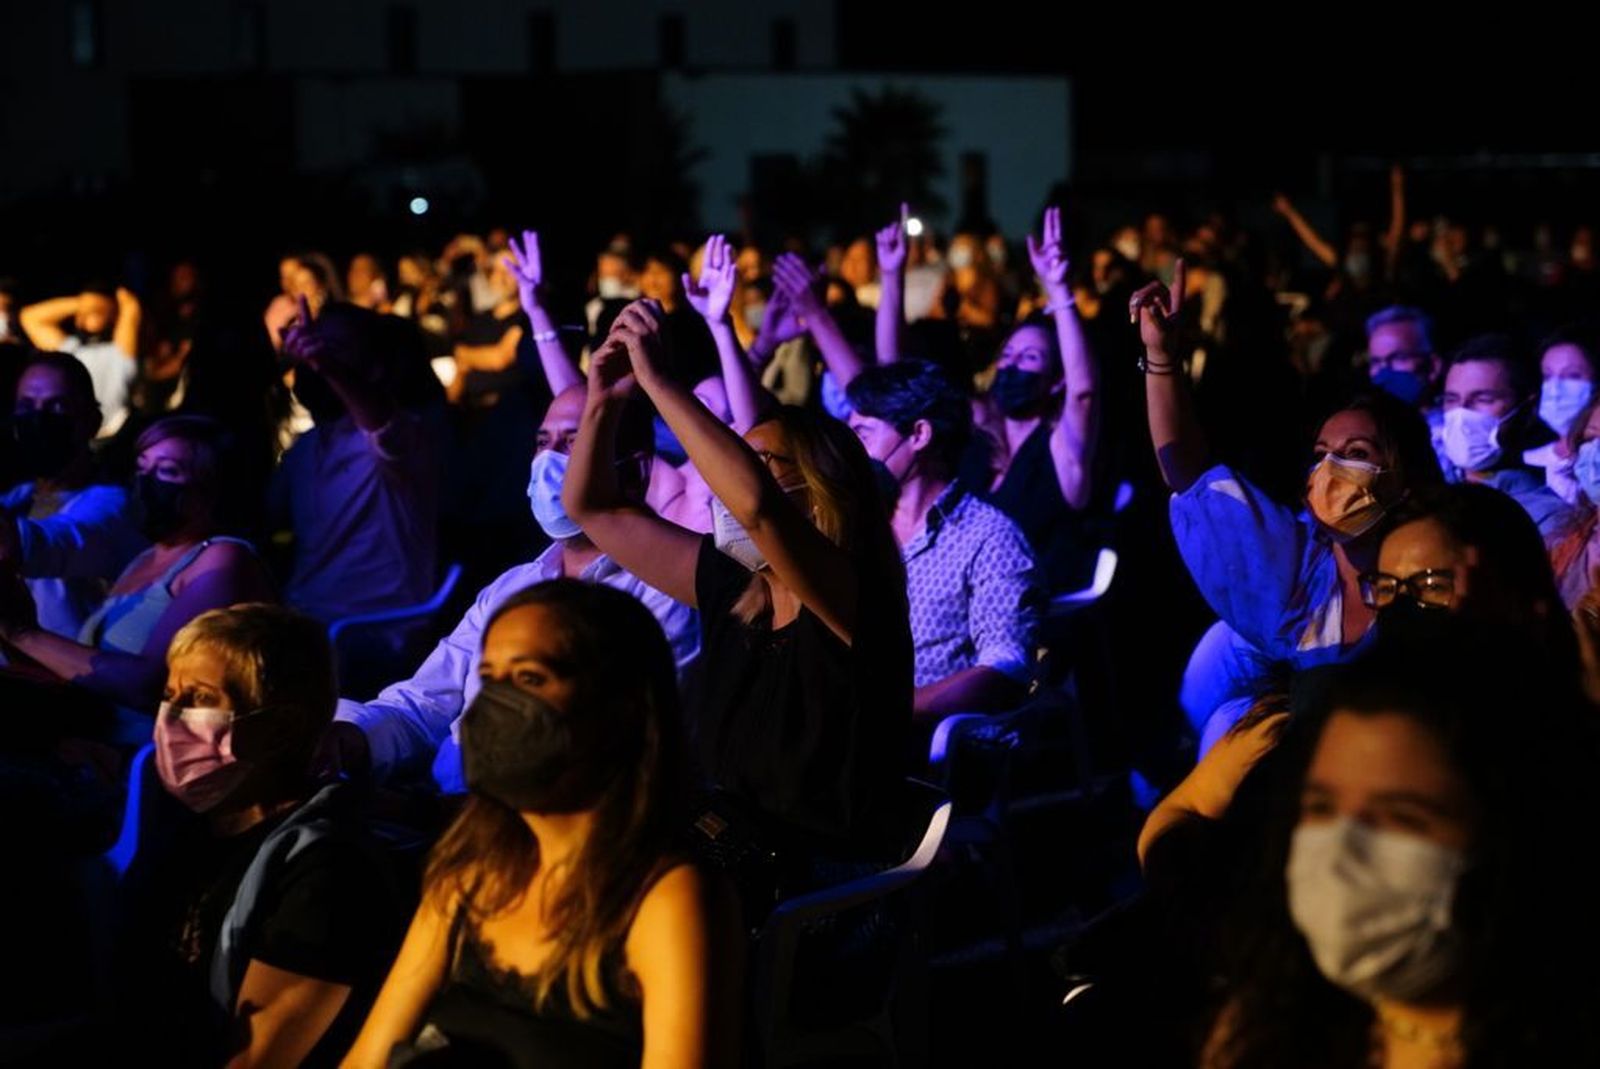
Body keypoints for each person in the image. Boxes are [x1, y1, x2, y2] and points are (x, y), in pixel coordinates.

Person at [344, 580, 741, 1069]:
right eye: (489, 679)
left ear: (618, 705)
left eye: (529, 679)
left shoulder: (665, 898)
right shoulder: (468, 872)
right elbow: (369, 1056)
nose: (497, 705)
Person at [564, 299, 911, 856]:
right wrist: (602, 403)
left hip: (819, 869)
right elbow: (594, 509)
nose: (725, 483)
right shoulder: (735, 585)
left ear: (822, 487)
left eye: (762, 462)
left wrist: (658, 382)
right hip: (727, 844)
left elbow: (756, 507)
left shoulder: (854, 593)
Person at [1200, 623, 1600, 1067]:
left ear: (1506, 833)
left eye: (1401, 817)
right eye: (1321, 808)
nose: (1340, 851)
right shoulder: (1264, 1030)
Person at [1131, 262, 1446, 748]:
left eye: (1356, 453)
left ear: (1406, 476)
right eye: (1322, 455)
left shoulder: (1435, 583)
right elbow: (1190, 475)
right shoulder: (1301, 572)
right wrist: (1161, 357)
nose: (1330, 470)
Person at [324, 384, 699, 792]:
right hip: (449, 807)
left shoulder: (666, 594)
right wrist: (350, 739)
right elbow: (424, 702)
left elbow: (615, 751)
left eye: (573, 443)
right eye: (543, 443)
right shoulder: (515, 585)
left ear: (636, 471)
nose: (548, 461)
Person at [113, 604, 406, 1067]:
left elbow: (259, 1058)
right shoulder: (189, 829)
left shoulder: (328, 873)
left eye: (200, 699)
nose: (171, 720)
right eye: (169, 696)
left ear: (281, 726)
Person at [0, 415, 274, 736]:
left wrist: (25, 633)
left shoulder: (224, 558)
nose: (145, 481)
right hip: (98, 748)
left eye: (167, 471)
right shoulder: (145, 559)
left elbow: (150, 685)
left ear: (213, 486)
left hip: (155, 757)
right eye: (142, 467)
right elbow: (85, 680)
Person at [846, 360, 1041, 720]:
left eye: (862, 435)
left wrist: (887, 710)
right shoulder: (855, 524)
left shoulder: (989, 537)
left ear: (919, 435)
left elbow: (1005, 668)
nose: (850, 451)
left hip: (919, 737)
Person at [268, 299, 439, 628]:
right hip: (305, 618)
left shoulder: (405, 434)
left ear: (374, 369)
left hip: (371, 628)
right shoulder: (306, 448)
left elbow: (382, 423)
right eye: (313, 344)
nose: (314, 357)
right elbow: (266, 521)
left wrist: (329, 366)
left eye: (333, 348)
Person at [967, 206, 1103, 594]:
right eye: (1007, 356)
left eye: (1029, 358)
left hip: (1035, 609)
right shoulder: (977, 437)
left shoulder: (1061, 450)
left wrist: (1059, 292)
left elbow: (1083, 393)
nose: (1012, 366)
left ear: (1056, 381)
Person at [0, 353, 145, 638]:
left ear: (92, 421)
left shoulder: (113, 506)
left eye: (57, 406)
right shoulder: (19, 497)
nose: (38, 419)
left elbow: (51, 544)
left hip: (70, 664)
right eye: (26, 406)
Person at [1436, 333, 1576, 540]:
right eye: (1452, 400)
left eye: (1483, 399)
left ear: (1528, 408)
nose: (1461, 413)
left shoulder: (1547, 516)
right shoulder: (1427, 489)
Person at [19, 282, 141, 438]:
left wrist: (109, 297)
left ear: (114, 314)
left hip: (114, 436)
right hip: (72, 436)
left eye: (97, 311)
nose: (86, 316)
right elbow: (30, 317)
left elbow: (131, 306)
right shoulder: (71, 348)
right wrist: (80, 304)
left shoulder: (120, 351)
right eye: (84, 312)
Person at [1523, 325, 1600, 504]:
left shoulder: (1594, 464)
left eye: (1572, 376)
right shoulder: (1526, 462)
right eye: (1547, 376)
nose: (1555, 389)